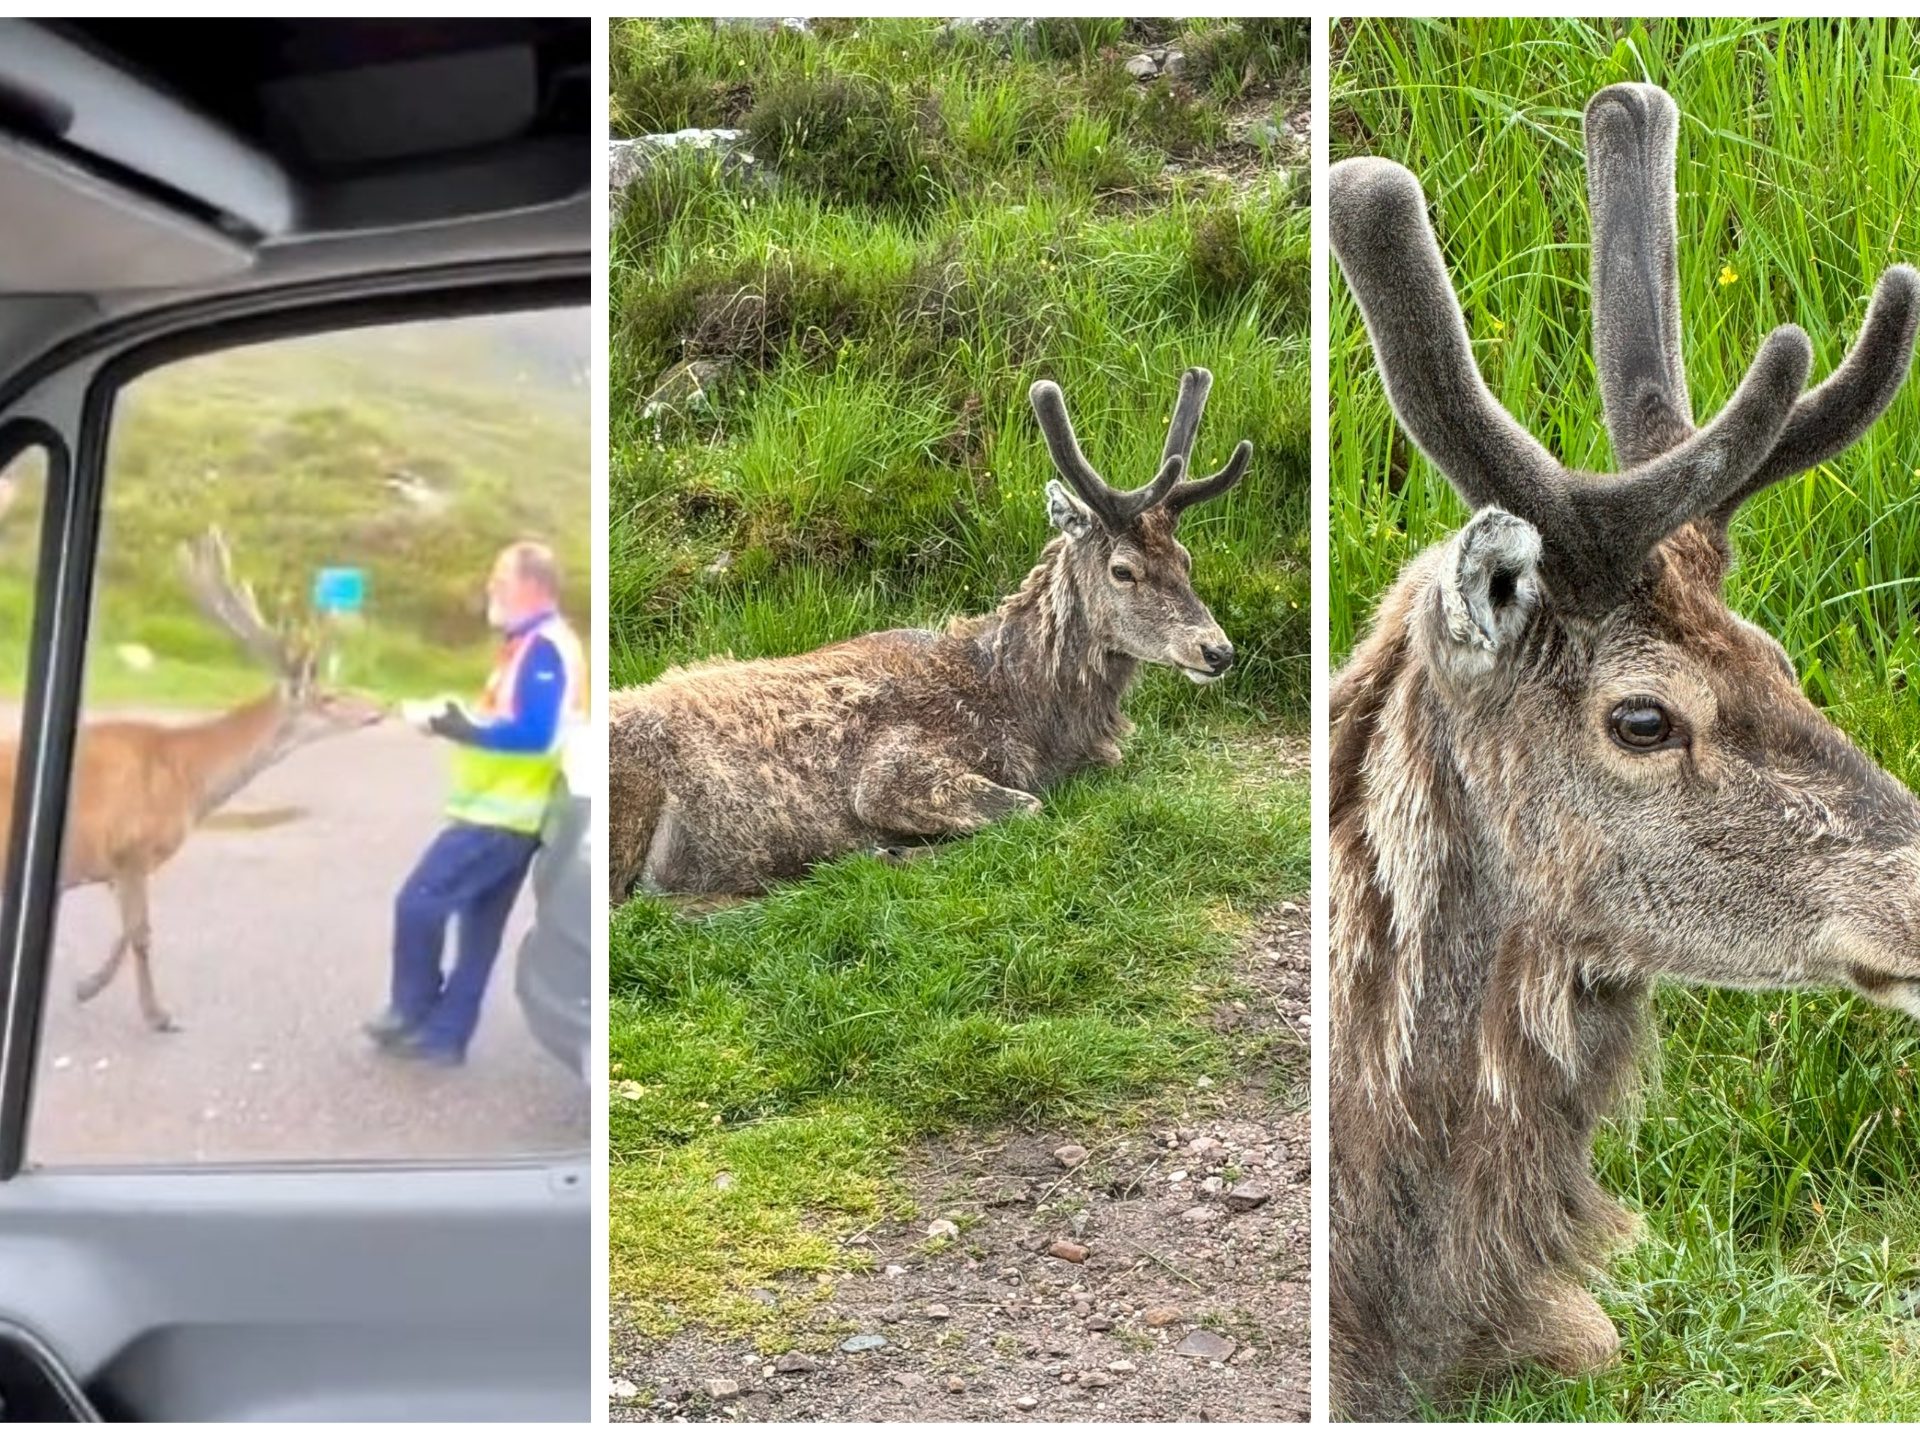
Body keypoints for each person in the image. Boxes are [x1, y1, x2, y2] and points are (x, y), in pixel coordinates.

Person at [365, 541, 587, 1065]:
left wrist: (462, 728)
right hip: (511, 812)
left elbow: (534, 734)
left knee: (418, 900)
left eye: (500, 581)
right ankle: (446, 1039)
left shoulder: (545, 648)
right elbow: (510, 719)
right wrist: (458, 721)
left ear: (532, 587)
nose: (491, 589)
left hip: (503, 817)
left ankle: (410, 1007)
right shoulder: (525, 645)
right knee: (480, 932)